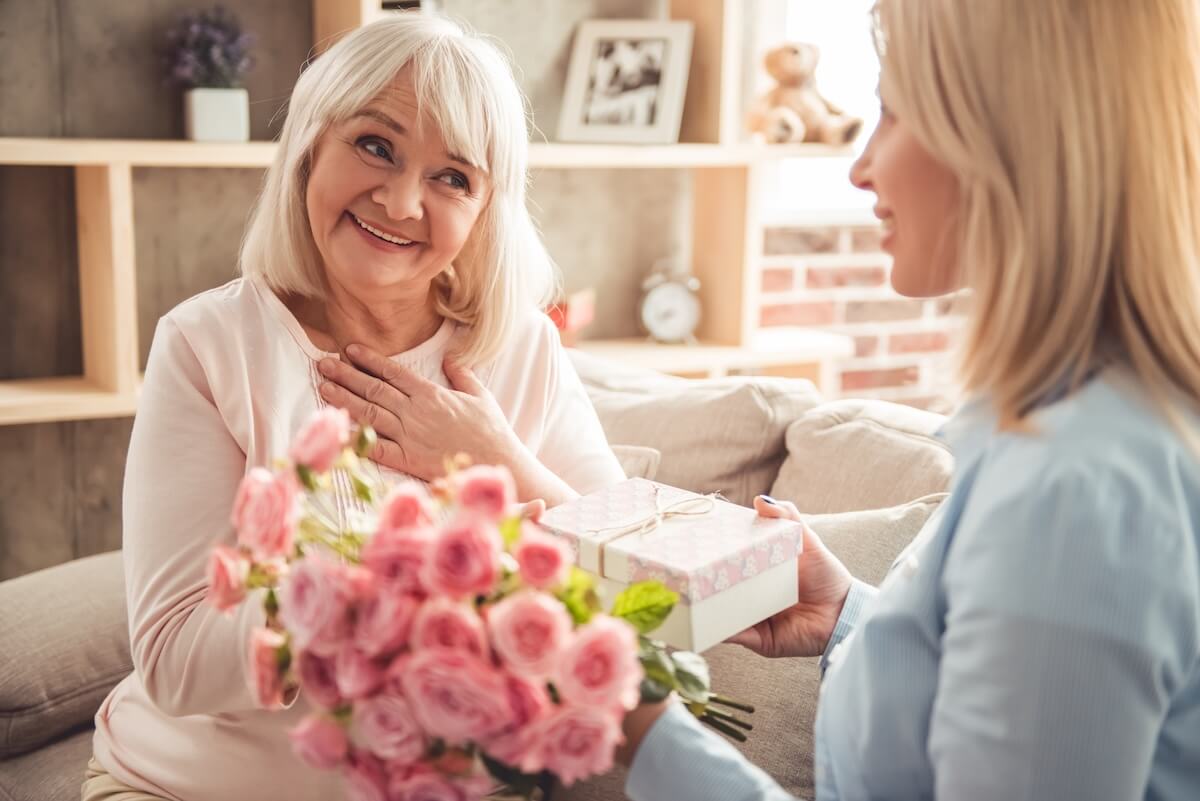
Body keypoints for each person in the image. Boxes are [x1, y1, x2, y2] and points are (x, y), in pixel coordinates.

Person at [618, 1, 1200, 799]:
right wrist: (851, 618)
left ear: (1008, 134)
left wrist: (638, 727)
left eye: (892, 111)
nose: (860, 168)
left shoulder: (1074, 490)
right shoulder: (1065, 432)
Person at [84, 14, 623, 801]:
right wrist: (386, 583)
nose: (402, 201)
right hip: (185, 787)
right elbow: (172, 659)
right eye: (376, 145)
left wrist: (496, 464)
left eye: (452, 177)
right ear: (310, 144)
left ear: (484, 211)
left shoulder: (523, 353)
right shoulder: (207, 345)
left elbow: (642, 593)